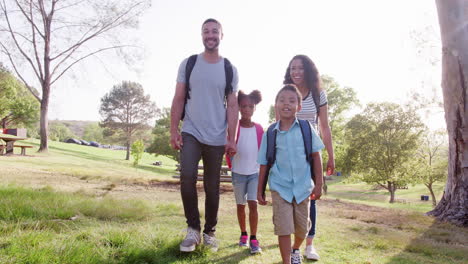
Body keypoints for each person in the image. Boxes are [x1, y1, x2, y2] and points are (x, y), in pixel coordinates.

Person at [170, 18, 239, 253]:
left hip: (217, 136)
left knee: (212, 186)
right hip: (191, 130)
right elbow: (179, 98)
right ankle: (193, 229)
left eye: (215, 31)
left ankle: (209, 232)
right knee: (187, 176)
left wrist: (232, 137)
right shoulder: (189, 63)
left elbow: (232, 105)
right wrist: (173, 130)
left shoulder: (229, 69)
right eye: (206, 31)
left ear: (222, 35)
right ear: (201, 36)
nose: (210, 35)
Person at [257, 84, 324, 264]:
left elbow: (316, 156)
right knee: (284, 228)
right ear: (276, 105)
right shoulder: (270, 132)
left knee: (302, 229)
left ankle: (296, 249)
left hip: (303, 187)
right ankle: (287, 261)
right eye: (282, 100)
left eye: (292, 101)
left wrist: (319, 184)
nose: (286, 104)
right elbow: (263, 164)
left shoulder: (307, 128)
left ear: (299, 107)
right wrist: (259, 190)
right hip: (280, 187)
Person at [283, 55, 335, 260]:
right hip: (289, 153)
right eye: (292, 68)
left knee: (311, 198)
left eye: (300, 68)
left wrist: (330, 155)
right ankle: (290, 240)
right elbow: (280, 125)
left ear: (308, 71)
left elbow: (324, 126)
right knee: (288, 197)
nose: (296, 72)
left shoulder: (318, 94)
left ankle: (309, 243)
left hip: (311, 153)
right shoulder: (286, 93)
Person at [226, 90, 263, 254]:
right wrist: (229, 155)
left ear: (255, 108)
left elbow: (264, 151)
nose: (247, 109)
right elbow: (227, 147)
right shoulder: (233, 127)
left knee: (253, 204)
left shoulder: (260, 129)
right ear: (239, 108)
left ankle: (254, 239)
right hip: (238, 173)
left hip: (254, 173)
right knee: (240, 205)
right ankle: (243, 235)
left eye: (250, 106)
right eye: (243, 106)